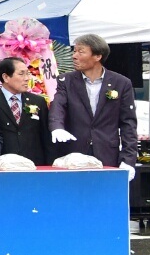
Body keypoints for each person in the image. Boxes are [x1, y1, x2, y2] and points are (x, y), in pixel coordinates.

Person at [49, 33, 138, 170]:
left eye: (81, 52)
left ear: (97, 56)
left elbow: (128, 123)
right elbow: (58, 106)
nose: (74, 56)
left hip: (107, 153)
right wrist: (57, 127)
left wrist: (128, 160)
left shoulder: (121, 83)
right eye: (74, 51)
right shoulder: (65, 80)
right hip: (73, 153)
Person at [0, 57, 50, 166]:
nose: (27, 78)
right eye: (21, 74)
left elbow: (46, 137)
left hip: (34, 166)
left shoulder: (38, 101)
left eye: (28, 74)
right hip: (1, 166)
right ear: (6, 77)